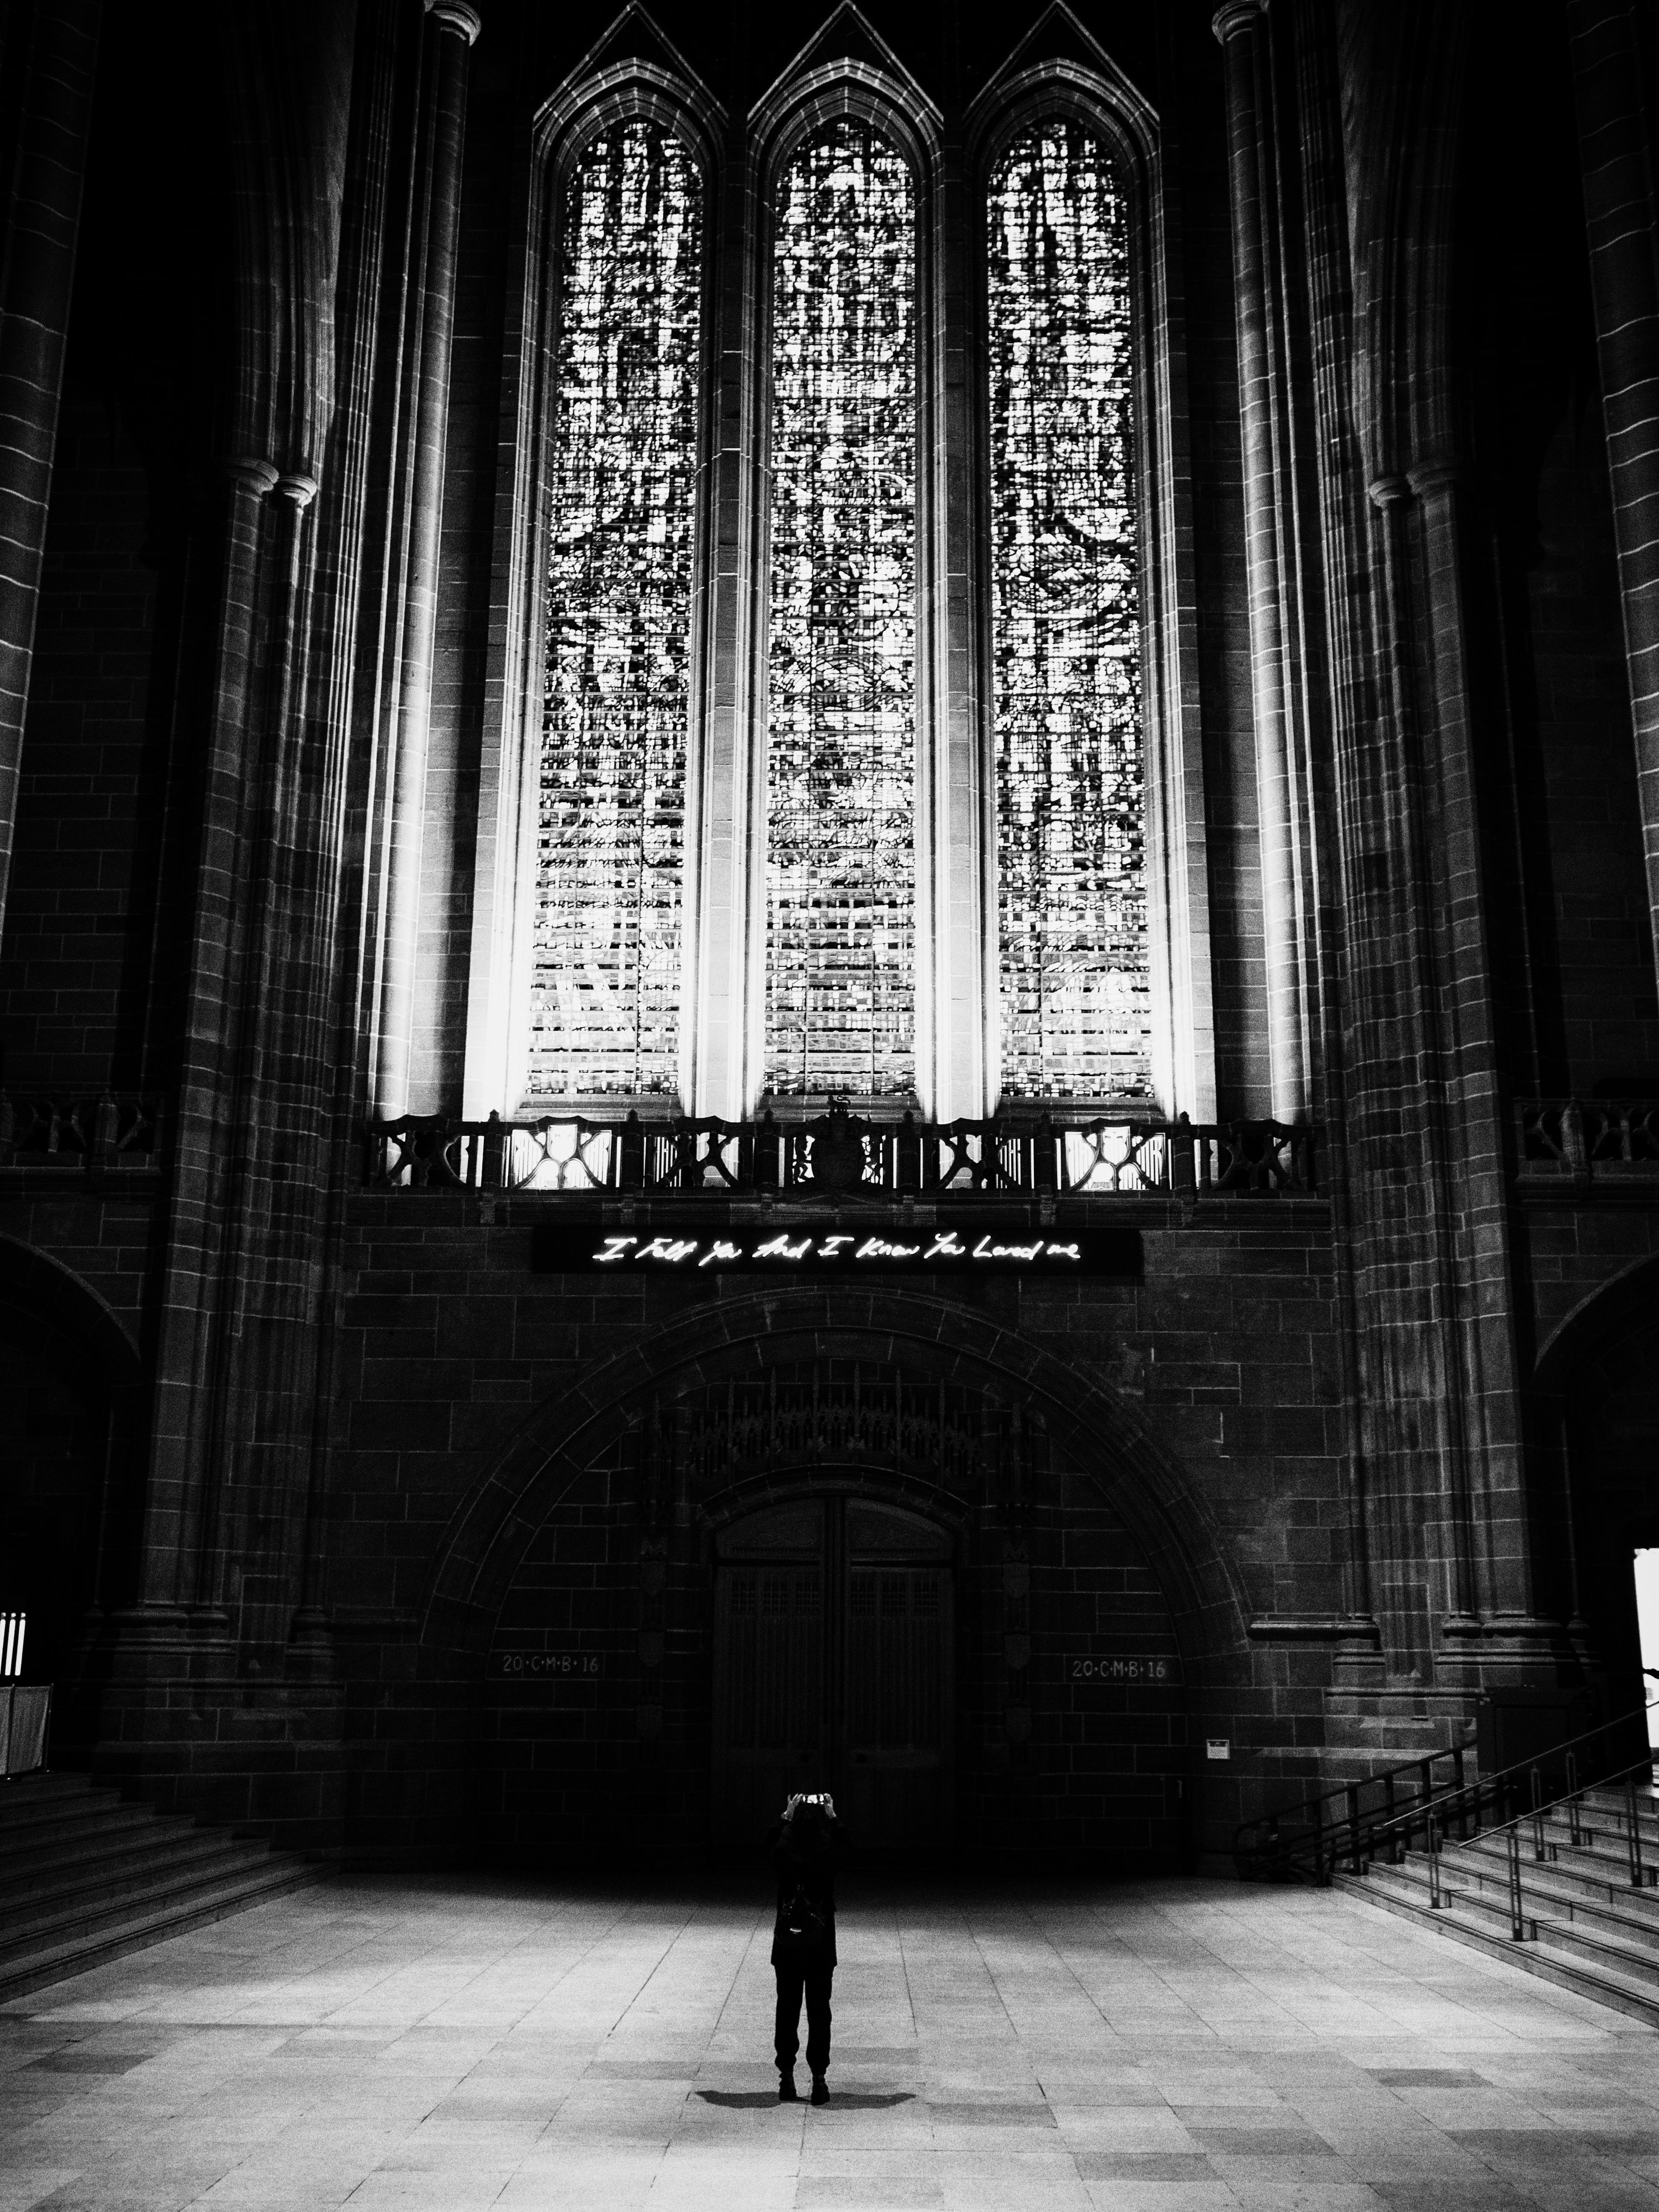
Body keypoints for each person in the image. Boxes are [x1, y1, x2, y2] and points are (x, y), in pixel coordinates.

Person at [770, 1790, 841, 2104]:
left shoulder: (783, 1846)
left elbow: (763, 1852)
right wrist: (833, 1817)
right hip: (820, 1940)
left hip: (787, 1940)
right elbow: (850, 1852)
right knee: (819, 2011)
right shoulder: (828, 1847)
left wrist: (785, 1816)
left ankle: (786, 2077)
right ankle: (819, 2080)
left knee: (787, 2007)